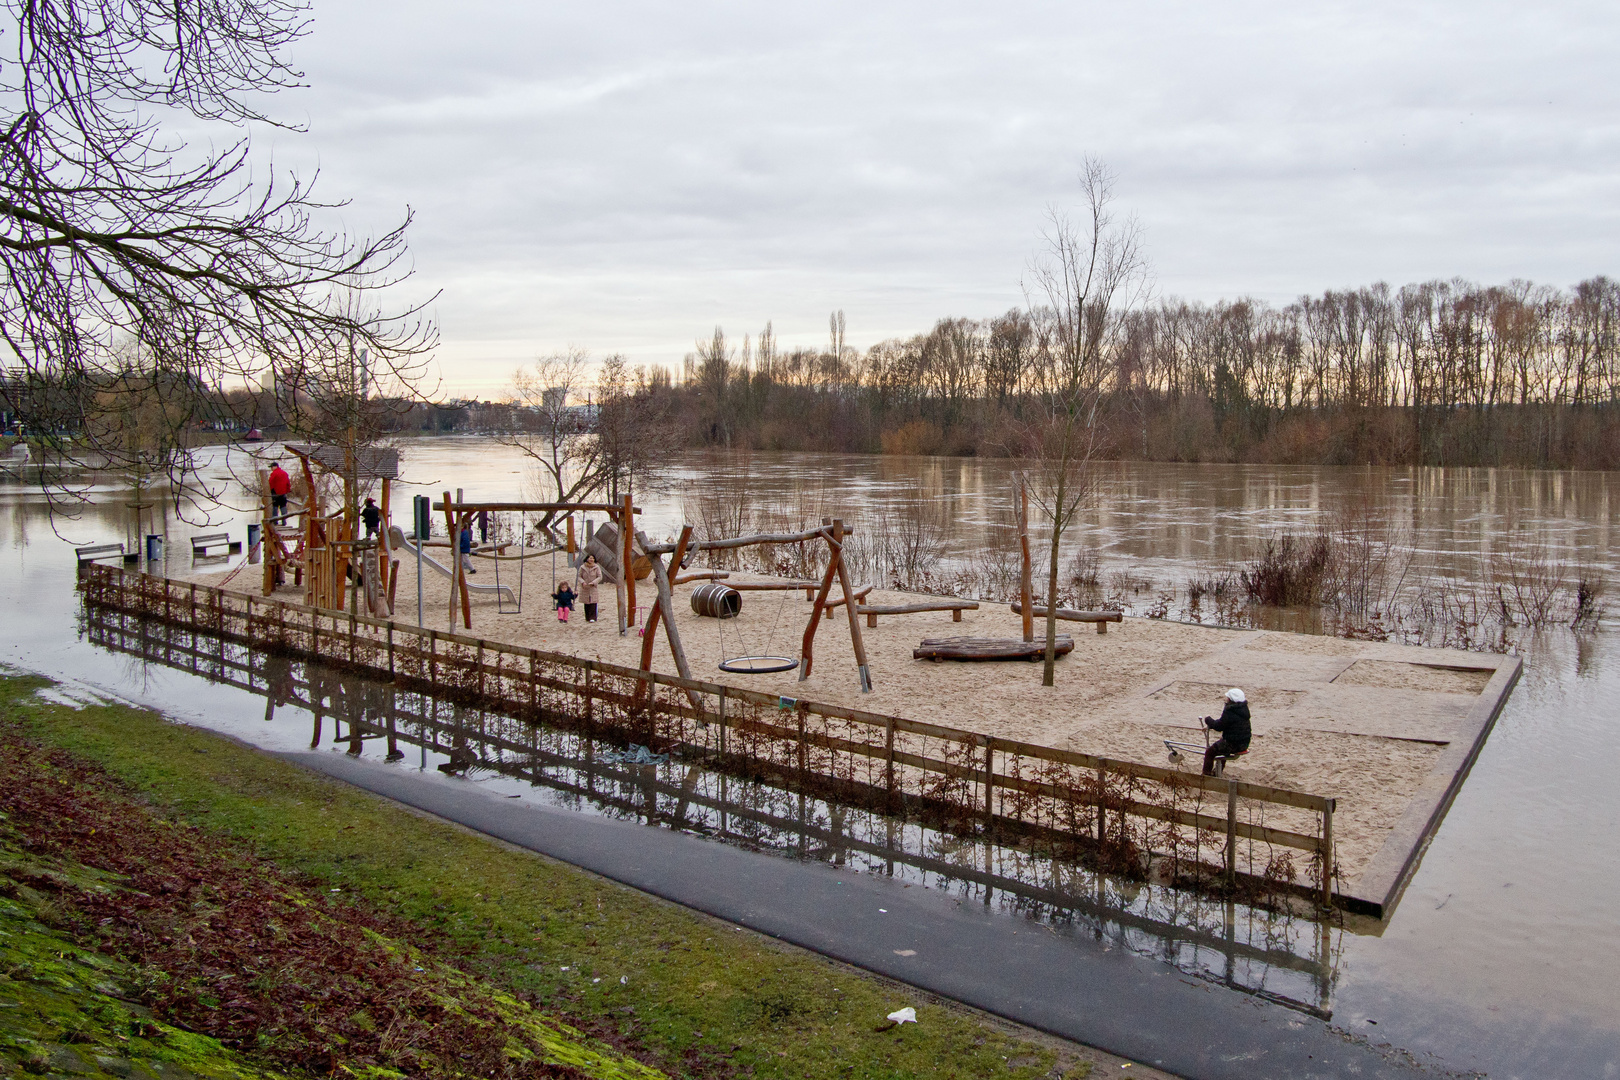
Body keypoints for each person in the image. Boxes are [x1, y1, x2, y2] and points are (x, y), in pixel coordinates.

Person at [1202, 688, 1251, 775]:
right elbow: (1226, 724)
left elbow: (1219, 726)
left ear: (1230, 699)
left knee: (1210, 752)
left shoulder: (1230, 711)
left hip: (1234, 744)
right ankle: (1218, 771)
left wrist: (1208, 719)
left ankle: (1206, 774)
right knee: (1222, 745)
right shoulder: (1243, 710)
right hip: (1244, 743)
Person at [577, 554, 602, 623]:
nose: (591, 560)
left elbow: (599, 577)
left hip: (593, 587)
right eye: (590, 558)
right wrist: (582, 582)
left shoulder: (597, 567)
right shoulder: (582, 567)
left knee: (593, 602)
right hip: (585, 587)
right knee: (586, 602)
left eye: (593, 558)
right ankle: (587, 617)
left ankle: (593, 617)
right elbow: (579, 576)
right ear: (587, 559)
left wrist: (594, 582)